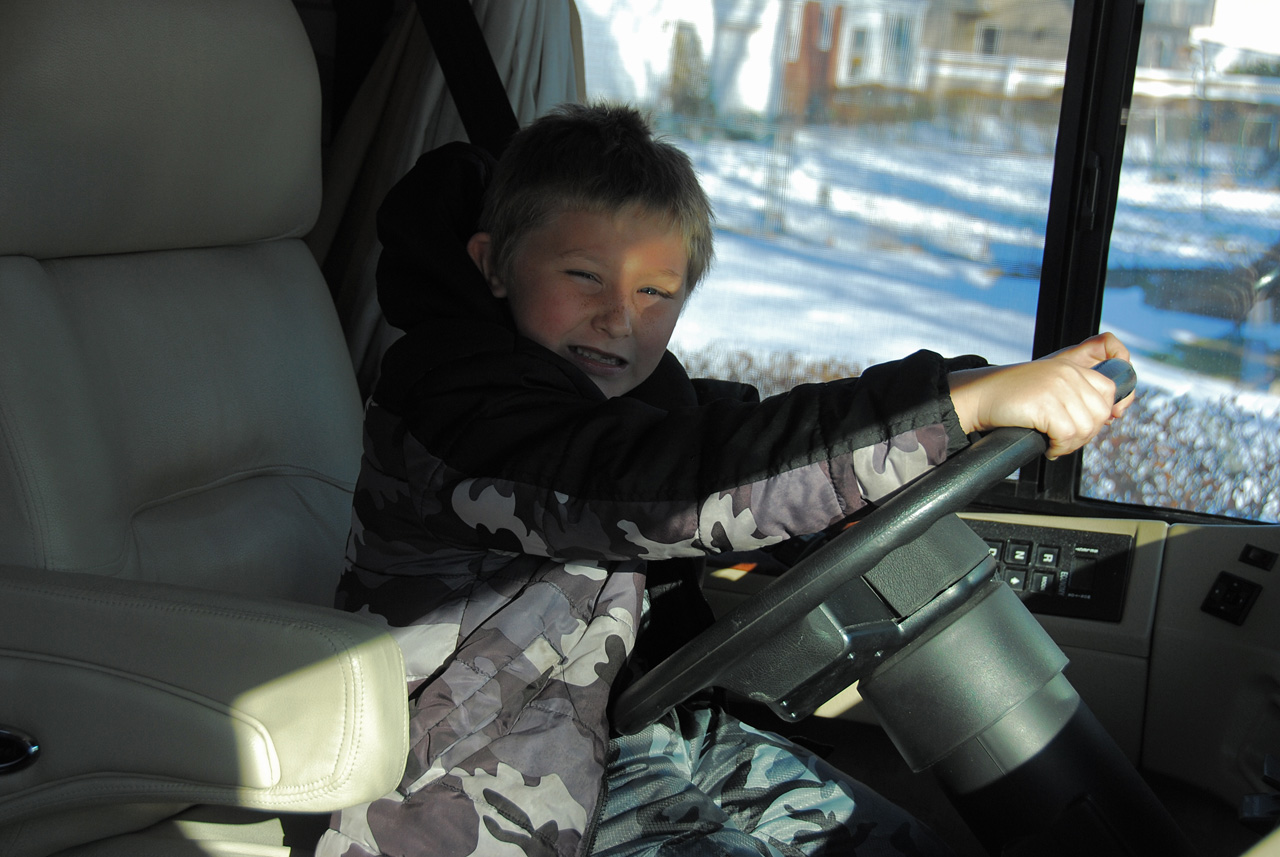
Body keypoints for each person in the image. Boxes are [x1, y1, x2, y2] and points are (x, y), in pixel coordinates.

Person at [318, 103, 1133, 857]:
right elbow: (662, 489)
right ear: (494, 265)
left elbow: (747, 438)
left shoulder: (638, 399)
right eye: (583, 277)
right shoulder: (463, 404)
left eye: (655, 293)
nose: (619, 318)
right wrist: (953, 404)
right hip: (469, 780)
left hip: (629, 734)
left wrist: (961, 415)